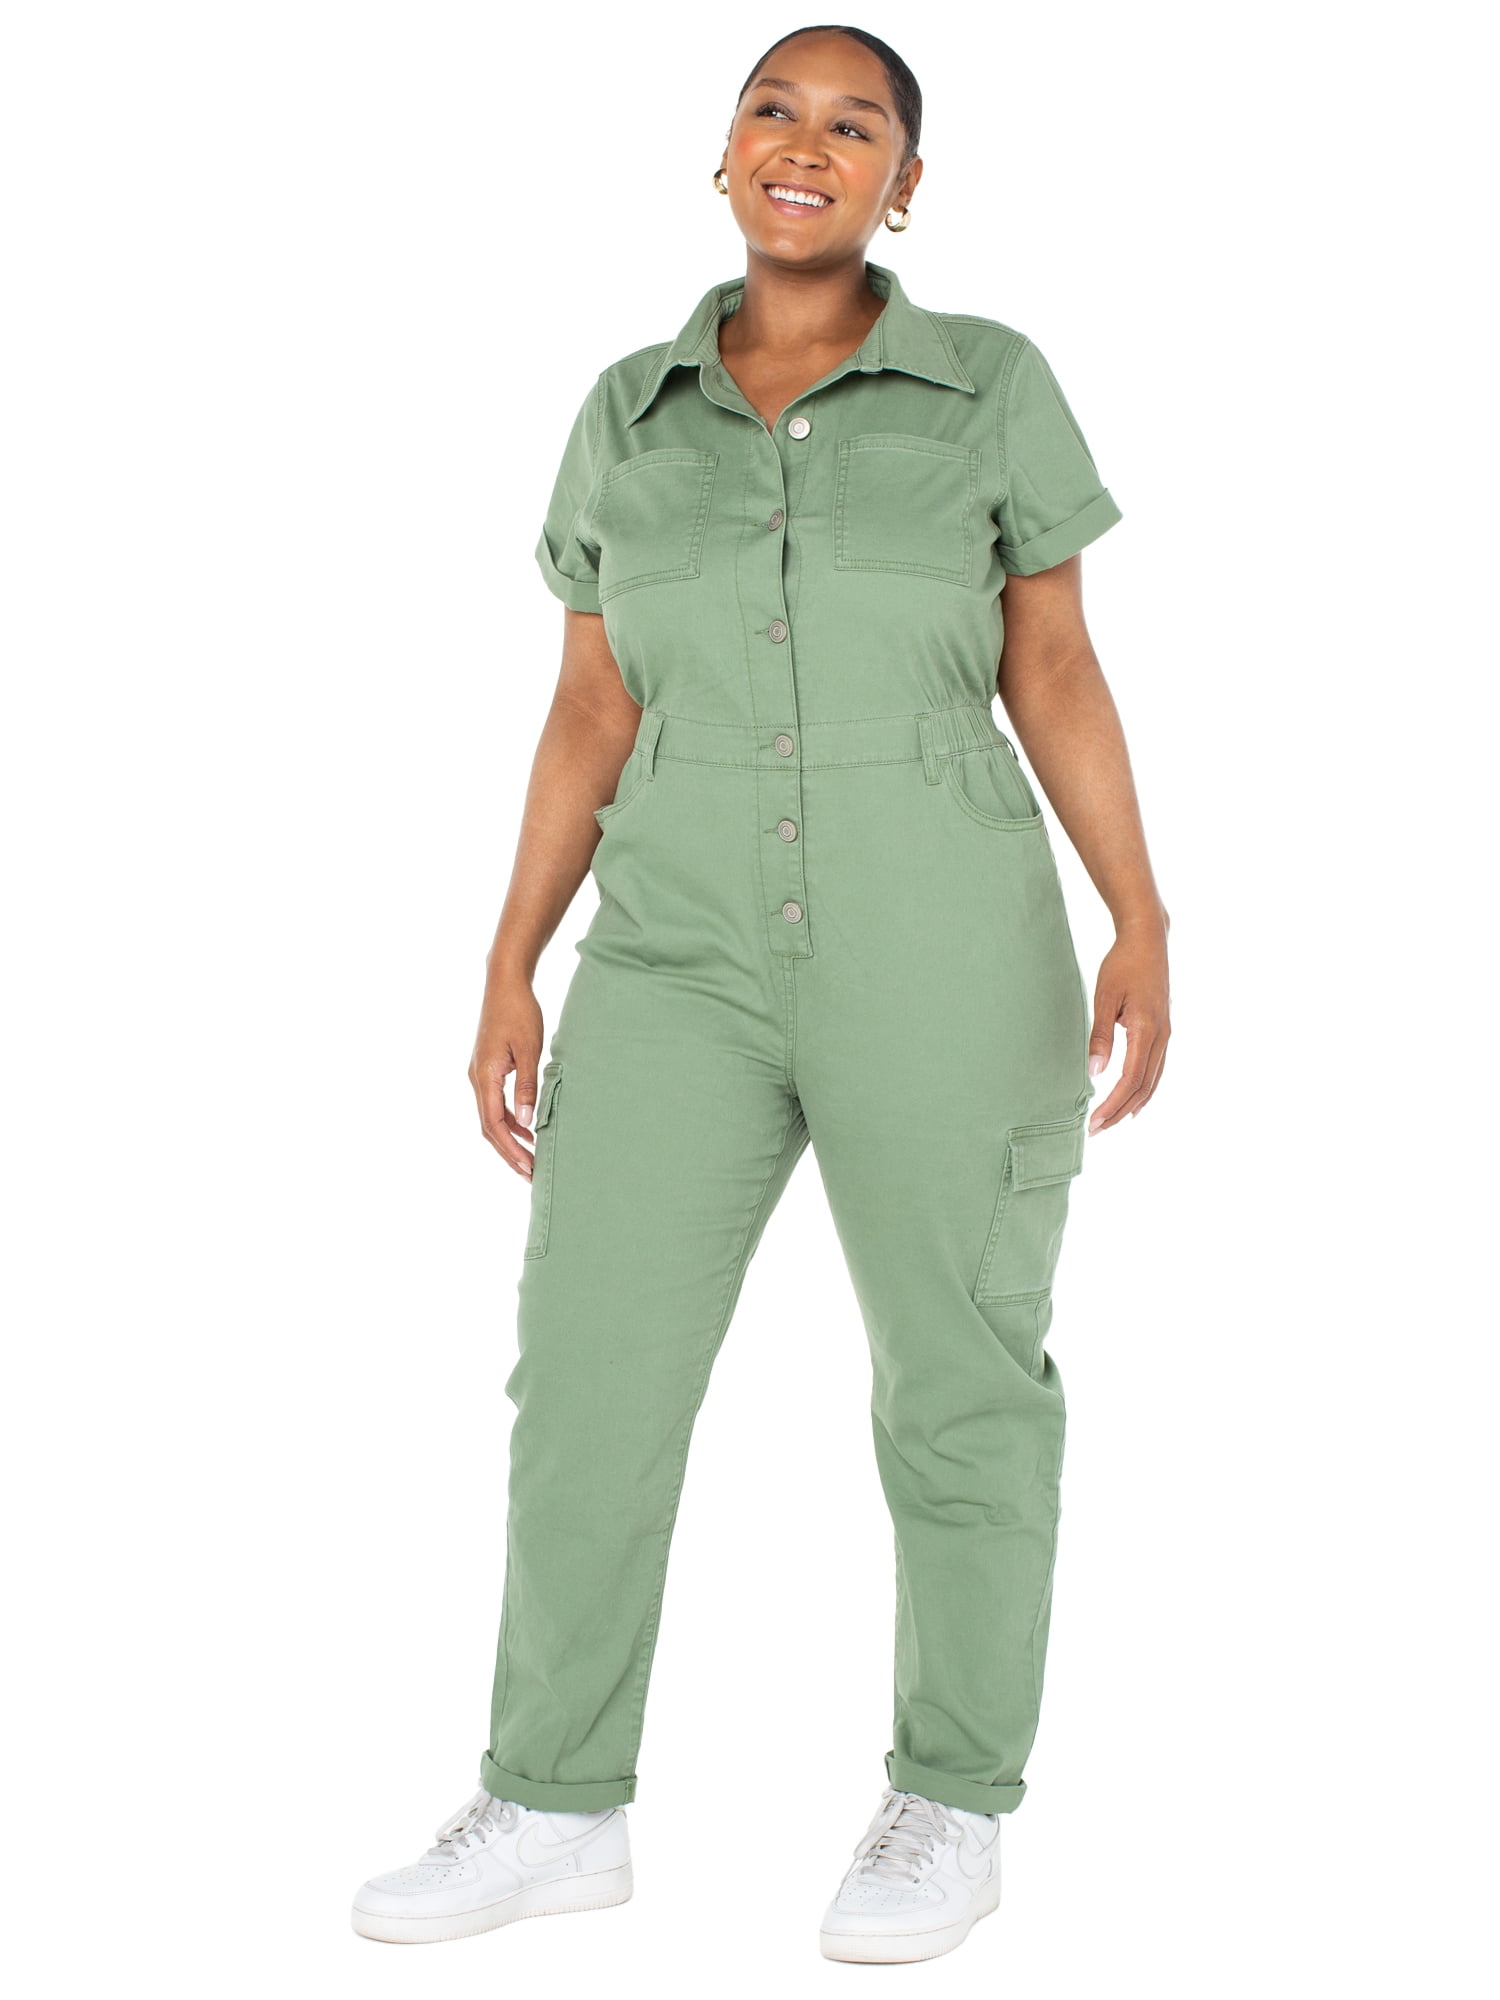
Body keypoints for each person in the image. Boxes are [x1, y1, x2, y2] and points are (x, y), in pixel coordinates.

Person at [352, 21, 1170, 1966]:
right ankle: (555, 1798)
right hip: (674, 947)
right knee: (588, 1380)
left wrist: (1140, 910)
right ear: (723, 153)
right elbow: (589, 701)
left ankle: (953, 1799)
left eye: (854, 124)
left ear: (906, 183)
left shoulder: (990, 385)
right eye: (772, 111)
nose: (806, 144)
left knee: (959, 1380)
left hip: (942, 933)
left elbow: (1053, 661)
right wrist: (507, 957)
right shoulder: (624, 414)